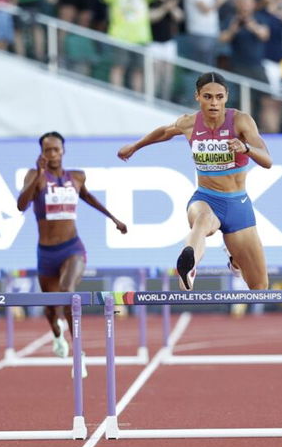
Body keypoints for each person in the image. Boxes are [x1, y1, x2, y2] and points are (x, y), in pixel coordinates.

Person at [117, 72, 273, 291]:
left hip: (238, 205)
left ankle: (234, 259)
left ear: (226, 97)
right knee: (202, 220)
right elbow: (165, 132)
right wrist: (135, 146)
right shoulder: (189, 123)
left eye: (219, 97)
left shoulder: (241, 121)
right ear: (197, 97)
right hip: (206, 198)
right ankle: (189, 266)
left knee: (260, 288)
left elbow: (267, 160)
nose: (214, 103)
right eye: (208, 97)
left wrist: (245, 148)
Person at [16, 132, 127, 360]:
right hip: (46, 253)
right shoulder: (35, 176)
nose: (53, 154)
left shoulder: (77, 177)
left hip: (72, 248)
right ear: (42, 153)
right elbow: (21, 205)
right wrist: (38, 174)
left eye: (56, 149)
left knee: (67, 292)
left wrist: (114, 218)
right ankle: (58, 336)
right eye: (48, 150)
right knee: (51, 307)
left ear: (63, 151)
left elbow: (88, 197)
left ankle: (78, 348)